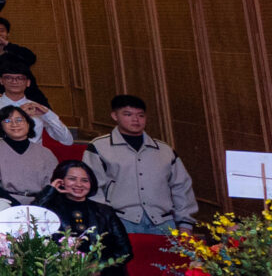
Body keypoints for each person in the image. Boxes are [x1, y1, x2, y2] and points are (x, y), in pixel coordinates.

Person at [37, 159, 140, 276]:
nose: (79, 184)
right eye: (72, 179)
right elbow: (29, 219)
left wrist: (99, 266)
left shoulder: (105, 212)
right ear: (60, 181)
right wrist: (50, 190)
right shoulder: (49, 210)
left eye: (84, 180)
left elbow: (125, 251)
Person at [81, 94, 196, 234]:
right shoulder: (99, 147)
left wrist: (185, 223)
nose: (135, 119)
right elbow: (93, 188)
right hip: (120, 220)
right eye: (128, 114)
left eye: (140, 115)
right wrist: (104, 220)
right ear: (115, 116)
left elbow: (181, 187)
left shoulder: (164, 150)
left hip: (163, 221)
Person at [0, 103, 58, 200]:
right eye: (7, 120)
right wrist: (14, 203)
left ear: (28, 123)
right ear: (0, 126)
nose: (14, 124)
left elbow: (53, 185)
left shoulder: (45, 153)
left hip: (40, 202)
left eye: (19, 120)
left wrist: (39, 203)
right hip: (4, 201)